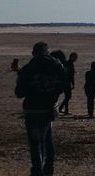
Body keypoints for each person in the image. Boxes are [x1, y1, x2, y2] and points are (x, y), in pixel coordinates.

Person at [15, 42, 67, 176]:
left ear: (33, 53)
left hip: (32, 109)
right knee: (47, 141)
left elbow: (19, 92)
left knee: (35, 144)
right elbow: (64, 86)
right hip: (48, 108)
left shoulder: (29, 68)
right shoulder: (57, 66)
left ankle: (38, 171)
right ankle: (48, 170)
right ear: (47, 52)